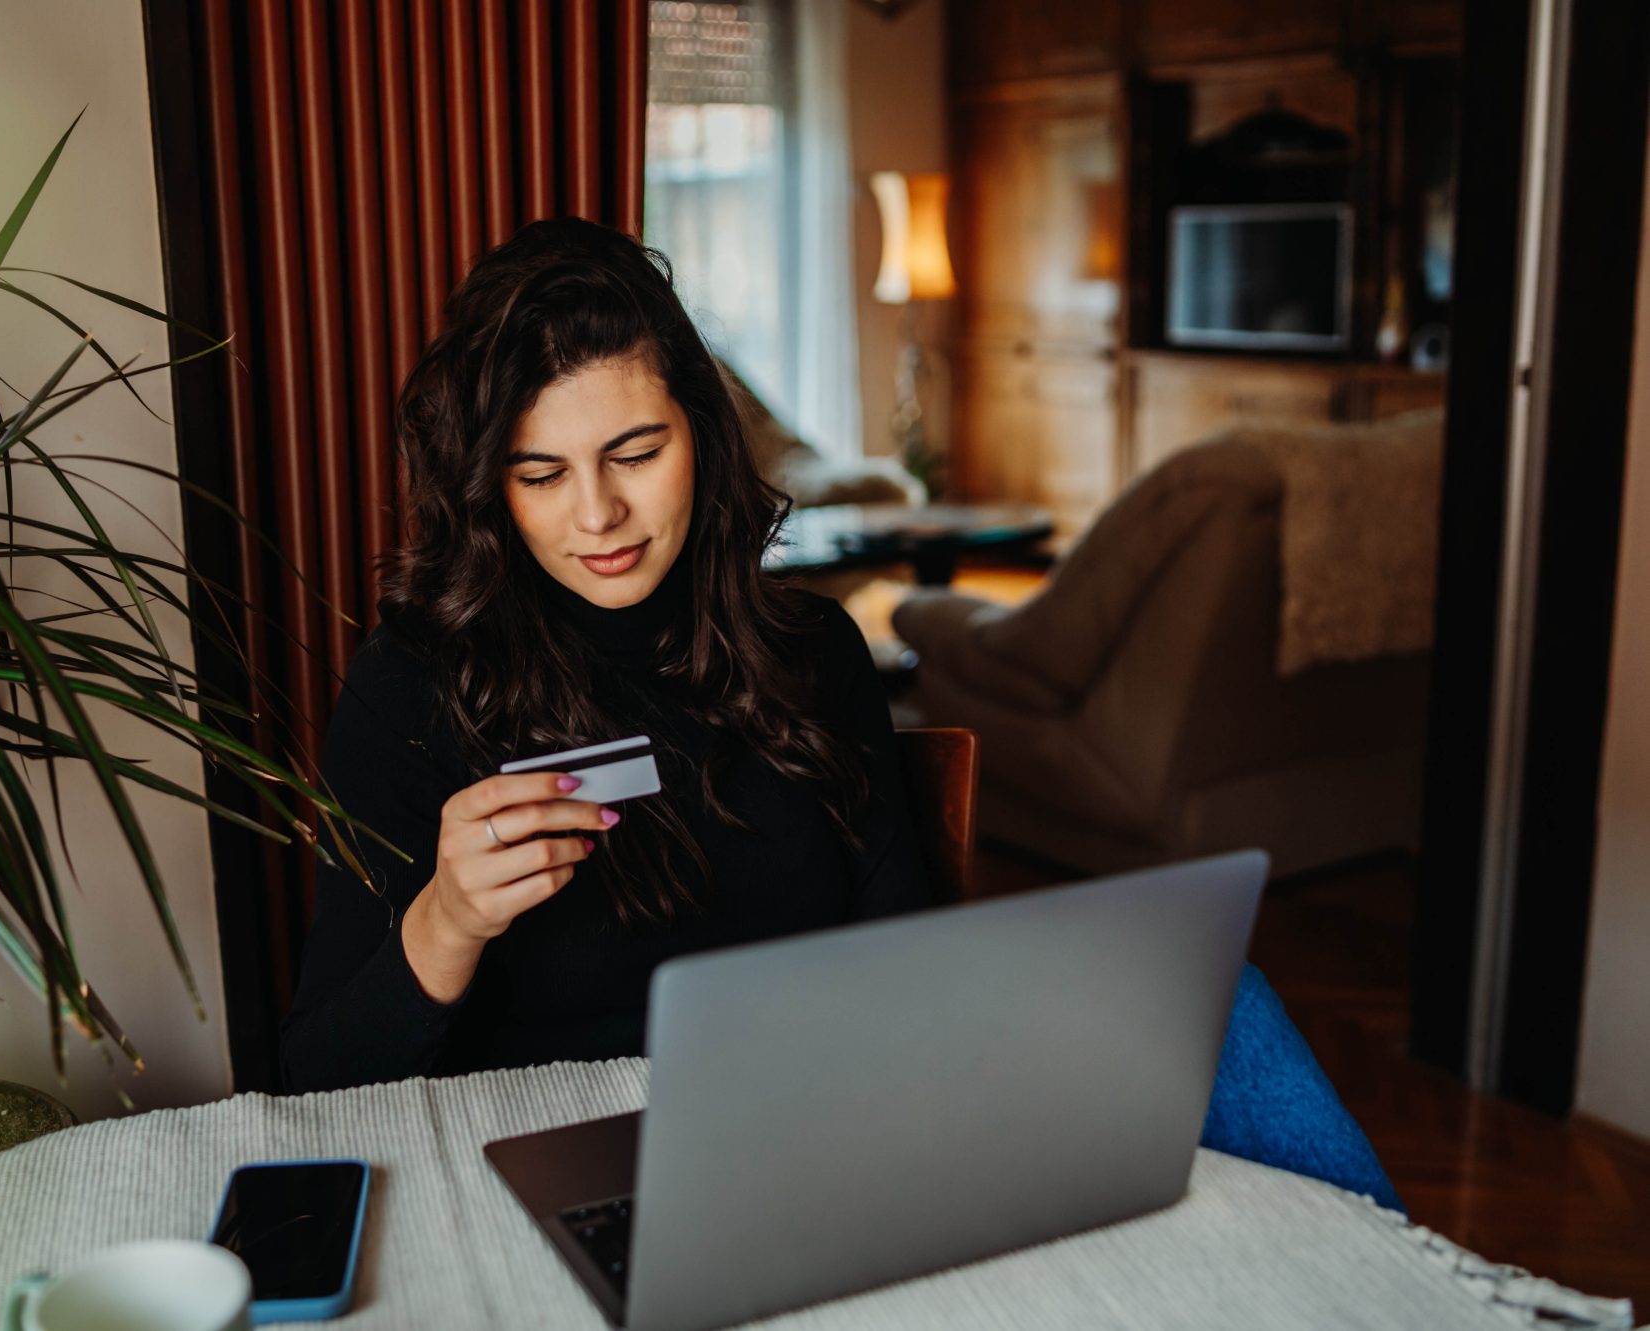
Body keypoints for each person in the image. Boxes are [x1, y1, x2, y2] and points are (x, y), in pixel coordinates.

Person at [279, 217, 1403, 1213]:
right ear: (492, 487)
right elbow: (313, 1081)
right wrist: (447, 921)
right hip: (586, 1167)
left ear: (702, 437)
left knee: (1224, 1004)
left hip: (834, 1121)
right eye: (541, 474)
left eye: (637, 452)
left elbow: (907, 963)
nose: (599, 512)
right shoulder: (412, 689)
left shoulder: (810, 650)